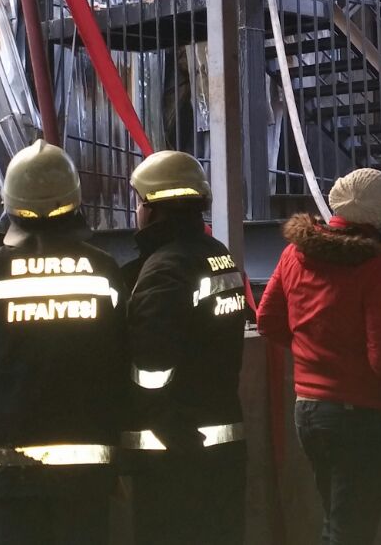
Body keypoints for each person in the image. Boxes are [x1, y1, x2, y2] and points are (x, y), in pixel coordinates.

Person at [0, 140, 125, 545]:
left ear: (11, 204)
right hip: (84, 472)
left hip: (4, 468)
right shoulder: (104, 269)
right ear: (74, 200)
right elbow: (120, 341)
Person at [257, 168, 381, 545]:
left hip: (308, 410)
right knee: (352, 529)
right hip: (358, 415)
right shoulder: (377, 268)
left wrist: (312, 353)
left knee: (336, 521)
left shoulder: (294, 253)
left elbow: (267, 320)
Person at [120, 150, 248, 544]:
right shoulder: (217, 255)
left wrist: (172, 434)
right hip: (224, 440)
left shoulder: (164, 269)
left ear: (151, 207)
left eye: (138, 202)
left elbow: (151, 368)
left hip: (174, 453)